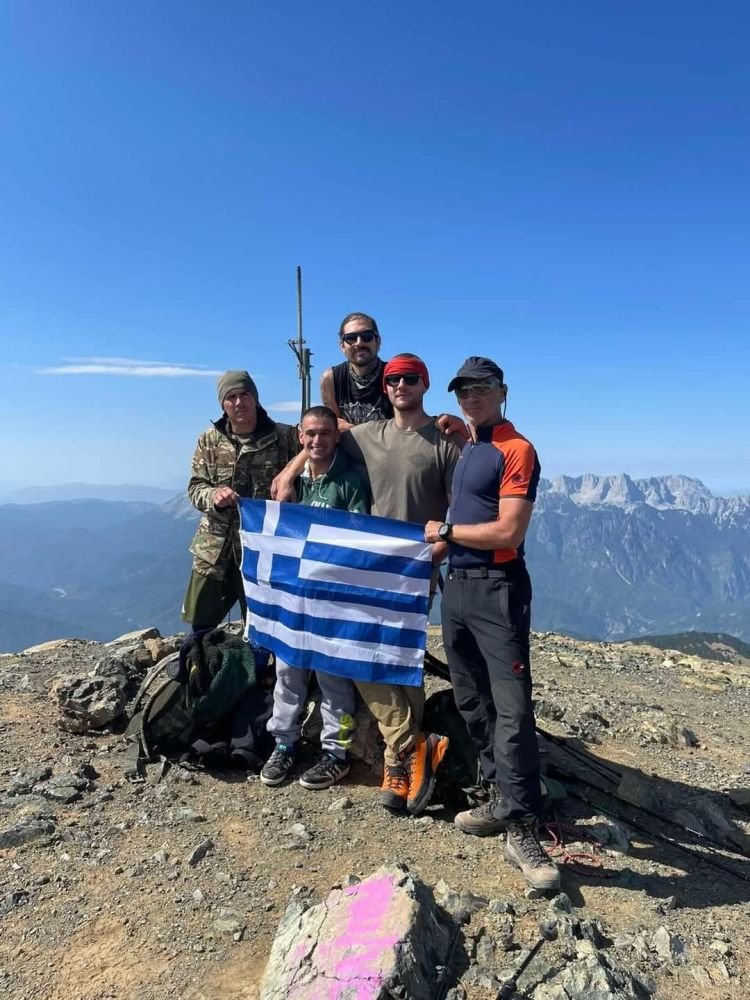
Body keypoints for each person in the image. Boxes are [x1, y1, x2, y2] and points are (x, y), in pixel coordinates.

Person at [274, 353, 461, 816]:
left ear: (425, 383)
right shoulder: (367, 433)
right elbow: (319, 437)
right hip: (362, 569)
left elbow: (464, 504)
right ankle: (409, 747)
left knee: (403, 658)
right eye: (394, 379)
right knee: (355, 653)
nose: (400, 386)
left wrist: (440, 548)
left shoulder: (444, 440)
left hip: (415, 567)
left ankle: (402, 762)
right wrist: (291, 468)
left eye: (410, 379)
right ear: (387, 387)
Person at [424, 357, 560, 892]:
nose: (469, 395)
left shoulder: (516, 448)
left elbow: (508, 530)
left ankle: (523, 824)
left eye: (480, 388)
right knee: (471, 698)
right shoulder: (472, 444)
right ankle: (498, 797)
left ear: (502, 391)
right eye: (462, 389)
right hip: (457, 588)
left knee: (511, 705)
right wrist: (442, 545)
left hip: (497, 590)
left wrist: (448, 530)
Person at [260, 405, 370, 791]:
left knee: (333, 676)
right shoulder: (289, 484)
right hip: (293, 597)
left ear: (335, 436)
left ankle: (335, 753)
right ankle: (284, 744)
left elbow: (358, 539)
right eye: (310, 434)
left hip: (332, 600)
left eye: (325, 433)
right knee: (288, 673)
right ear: (299, 438)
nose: (317, 440)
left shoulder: (350, 482)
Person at [182, 370, 299, 632]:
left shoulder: (286, 437)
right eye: (230, 397)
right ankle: (202, 669)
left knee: (263, 626)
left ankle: (261, 672)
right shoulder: (209, 440)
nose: (238, 402)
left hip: (265, 549)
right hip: (214, 550)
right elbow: (195, 487)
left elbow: (315, 454)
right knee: (201, 624)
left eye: (244, 394)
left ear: (255, 398)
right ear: (223, 404)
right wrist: (213, 495)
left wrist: (290, 475)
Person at [320, 312, 393, 429]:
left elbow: (404, 426)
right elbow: (333, 426)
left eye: (367, 336)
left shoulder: (395, 376)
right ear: (342, 346)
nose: (359, 342)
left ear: (378, 342)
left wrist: (352, 429)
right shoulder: (331, 379)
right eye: (351, 338)